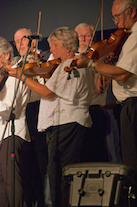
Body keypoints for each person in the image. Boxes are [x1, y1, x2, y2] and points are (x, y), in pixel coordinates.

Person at [8, 26, 97, 207]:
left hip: (66, 124)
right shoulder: (66, 65)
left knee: (61, 175)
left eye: (55, 45)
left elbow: (48, 92)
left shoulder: (69, 65)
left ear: (68, 47)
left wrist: (22, 76)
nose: (52, 50)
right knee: (59, 173)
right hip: (64, 124)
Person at [75, 0, 137, 178]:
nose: (115, 22)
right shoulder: (129, 37)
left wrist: (92, 64)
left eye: (118, 16)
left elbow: (124, 74)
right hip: (126, 106)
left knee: (131, 163)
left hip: (132, 105)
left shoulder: (134, 37)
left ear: (132, 11)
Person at [13, 28, 50, 207]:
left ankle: (46, 201)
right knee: (27, 166)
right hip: (22, 115)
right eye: (17, 41)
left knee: (43, 162)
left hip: (39, 109)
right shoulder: (16, 64)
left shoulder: (45, 58)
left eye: (24, 40)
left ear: (33, 42)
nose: (20, 44)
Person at [0, 37, 30, 207]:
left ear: (6, 56)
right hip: (1, 134)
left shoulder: (15, 76)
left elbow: (11, 108)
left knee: (11, 180)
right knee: (2, 182)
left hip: (12, 133)